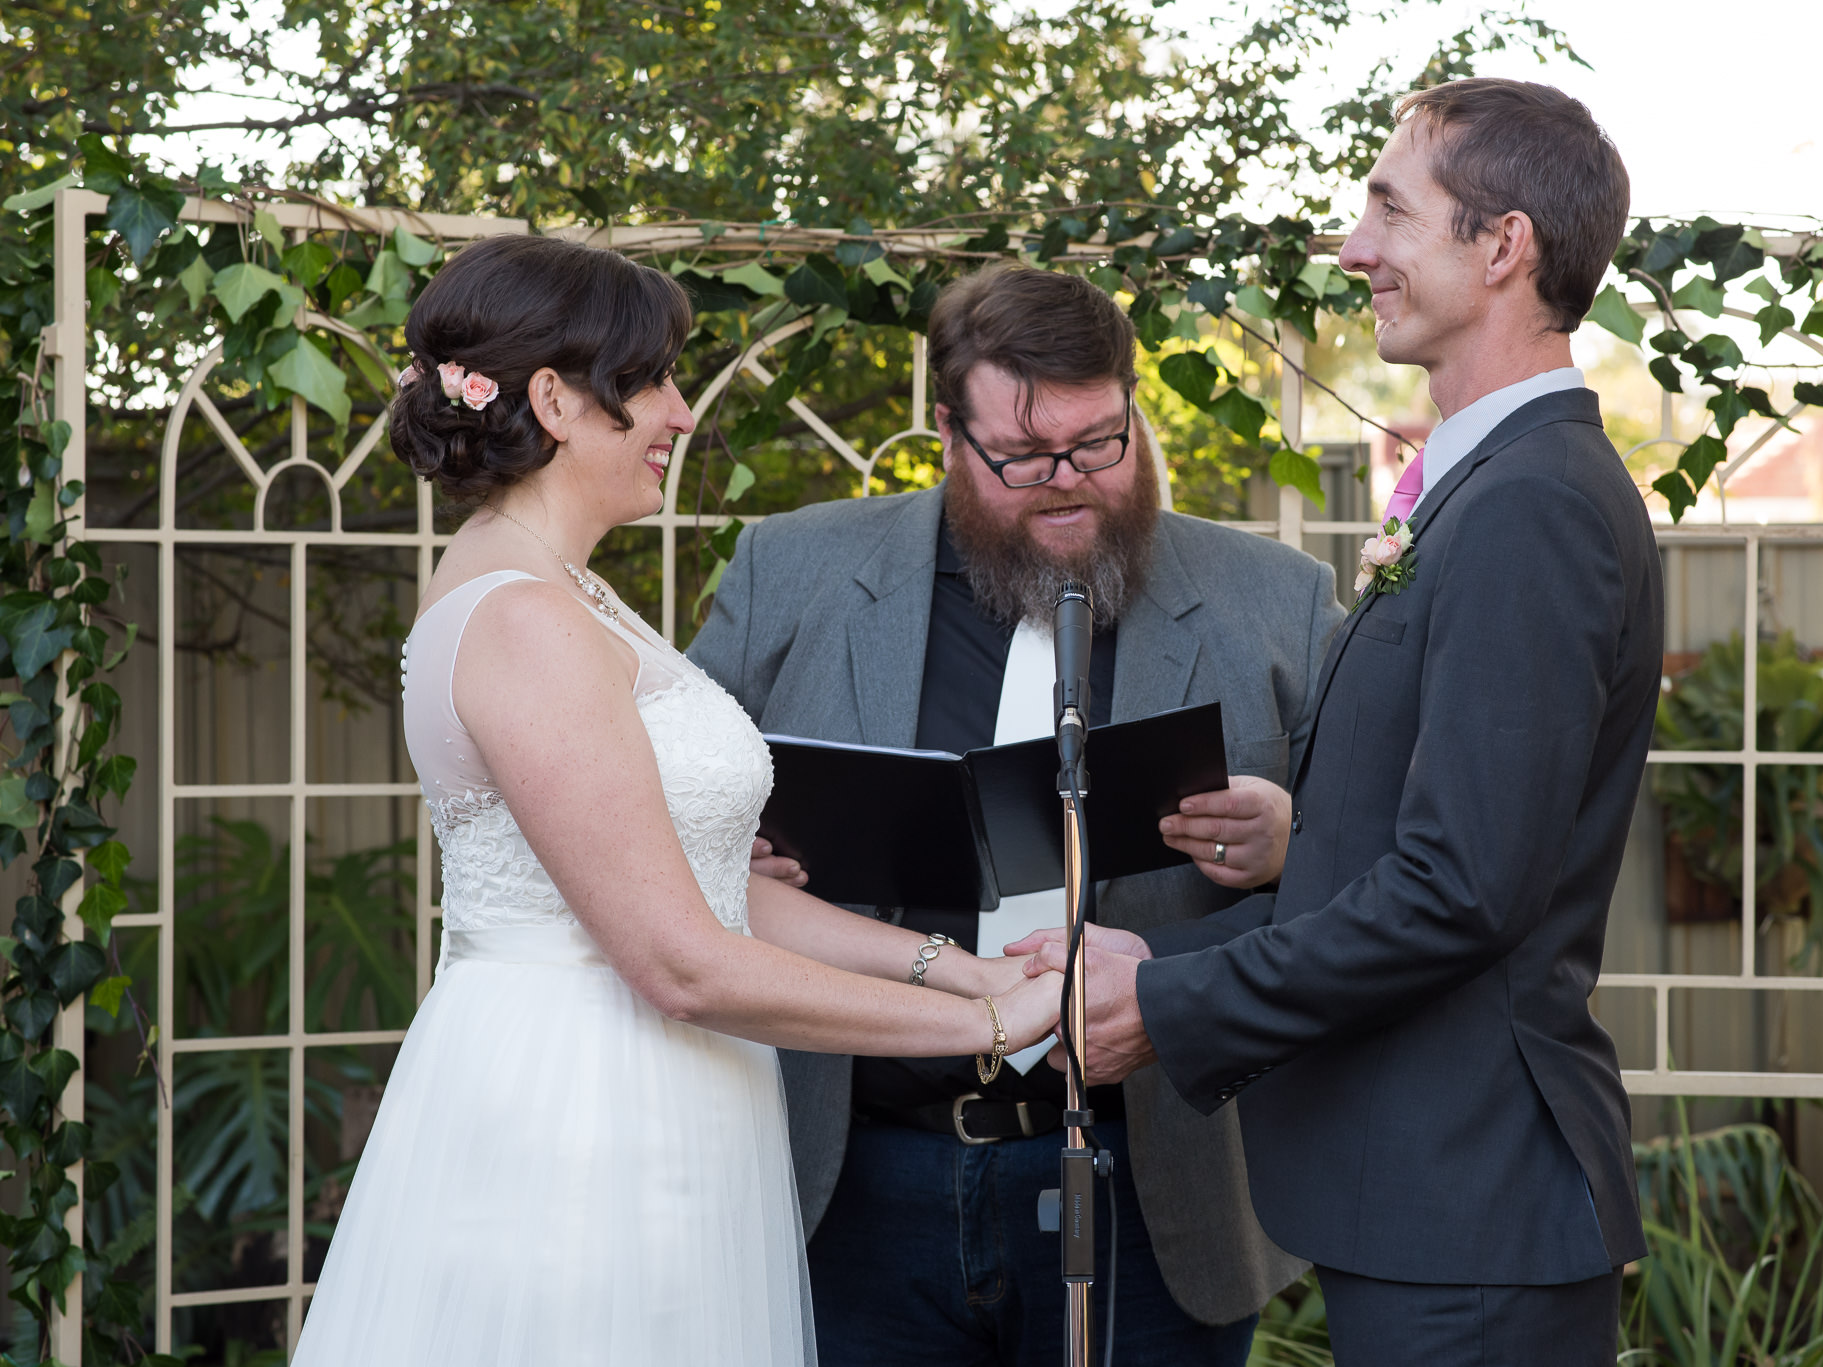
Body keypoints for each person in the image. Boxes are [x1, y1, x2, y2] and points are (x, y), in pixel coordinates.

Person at [292, 234, 1063, 1367]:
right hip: (583, 1115)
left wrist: (967, 964)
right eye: (650, 380)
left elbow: (714, 887)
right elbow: (679, 958)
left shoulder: (572, 592)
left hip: (670, 1090)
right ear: (554, 399)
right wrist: (989, 1025)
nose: (679, 412)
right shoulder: (523, 618)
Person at [1021, 78, 1659, 1365]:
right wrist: (1270, 867)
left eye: (1386, 208)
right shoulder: (1485, 485)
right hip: (1425, 1202)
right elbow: (1424, 838)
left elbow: (1462, 886)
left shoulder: (1529, 504)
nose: (1355, 247)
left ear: (1500, 246)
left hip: (1468, 1213)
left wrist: (1173, 995)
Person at [689, 263, 1344, 1366]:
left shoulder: (1277, 600)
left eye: (1100, 442)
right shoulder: (790, 570)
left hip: (1160, 1185)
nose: (1070, 483)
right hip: (849, 1178)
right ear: (946, 430)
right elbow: (665, 812)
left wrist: (1291, 842)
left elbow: (1380, 879)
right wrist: (725, 839)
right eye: (1025, 458)